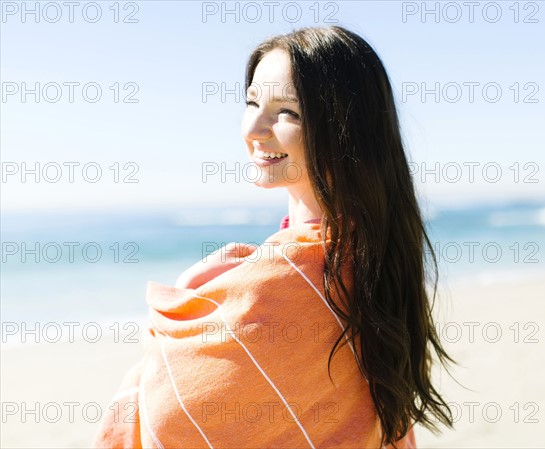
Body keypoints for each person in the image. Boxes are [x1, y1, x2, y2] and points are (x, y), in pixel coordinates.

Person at [93, 25, 454, 448]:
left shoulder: (293, 277)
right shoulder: (374, 254)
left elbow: (175, 419)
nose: (254, 129)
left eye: (287, 112)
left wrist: (186, 297)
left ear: (345, 128)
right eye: (252, 103)